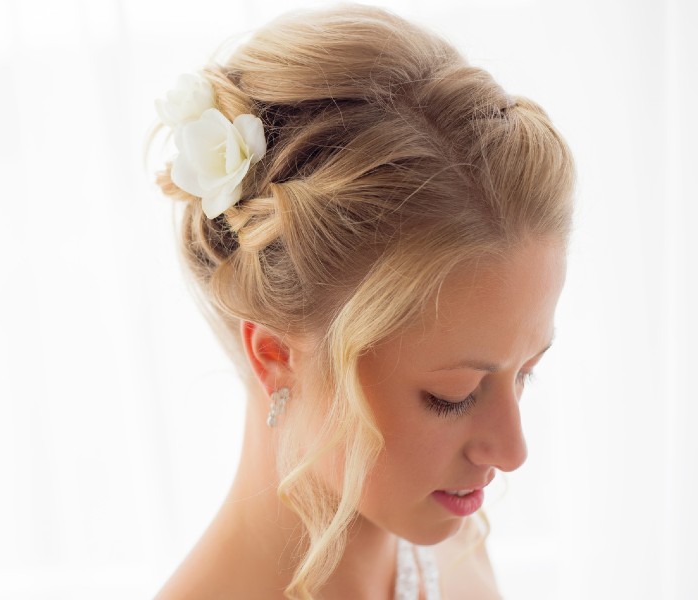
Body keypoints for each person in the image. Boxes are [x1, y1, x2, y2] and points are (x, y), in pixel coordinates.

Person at [146, 4, 574, 599]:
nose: (512, 451)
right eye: (451, 397)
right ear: (274, 354)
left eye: (526, 373)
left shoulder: (457, 550)